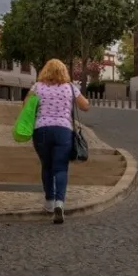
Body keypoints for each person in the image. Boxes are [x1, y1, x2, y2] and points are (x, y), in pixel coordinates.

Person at [26, 59, 90, 223]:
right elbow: (85, 106)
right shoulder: (70, 88)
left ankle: (49, 202)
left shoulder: (37, 87)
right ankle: (60, 203)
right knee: (61, 168)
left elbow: (26, 104)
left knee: (47, 166)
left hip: (41, 130)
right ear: (64, 72)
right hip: (63, 131)